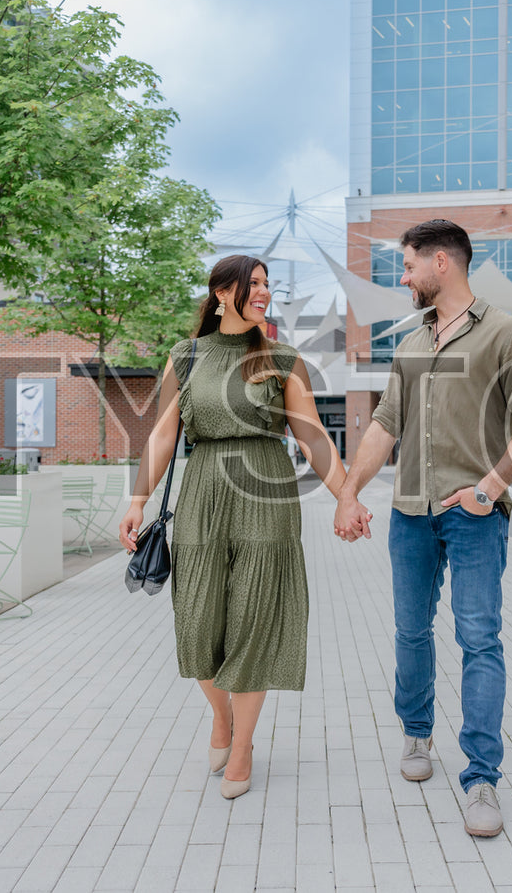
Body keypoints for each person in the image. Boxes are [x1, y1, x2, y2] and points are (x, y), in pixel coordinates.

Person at [333, 219, 512, 838]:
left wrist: (489, 489)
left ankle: (481, 776)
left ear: (441, 263)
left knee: (479, 639)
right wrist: (349, 493)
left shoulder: (508, 334)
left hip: (475, 515)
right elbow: (381, 427)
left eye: (407, 267)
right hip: (409, 514)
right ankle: (417, 734)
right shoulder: (410, 346)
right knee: (410, 632)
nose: (402, 278)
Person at [119, 255, 365, 801]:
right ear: (222, 292)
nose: (264, 292)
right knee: (199, 621)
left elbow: (313, 438)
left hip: (267, 495)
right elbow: (162, 436)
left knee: (254, 622)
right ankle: (222, 717)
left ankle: (245, 744)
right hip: (203, 493)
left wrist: (346, 497)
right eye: (253, 284)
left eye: (267, 284)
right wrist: (137, 499)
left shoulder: (281, 358)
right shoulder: (186, 357)